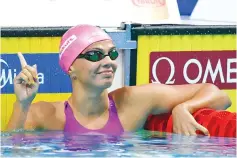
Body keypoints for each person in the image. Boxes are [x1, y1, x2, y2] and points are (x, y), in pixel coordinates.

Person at [6, 24, 231, 136]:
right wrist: (22, 104)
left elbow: (220, 95)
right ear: (71, 68)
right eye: (95, 55)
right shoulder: (46, 115)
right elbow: (11, 148)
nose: (108, 61)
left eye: (112, 54)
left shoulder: (133, 101)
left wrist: (184, 107)